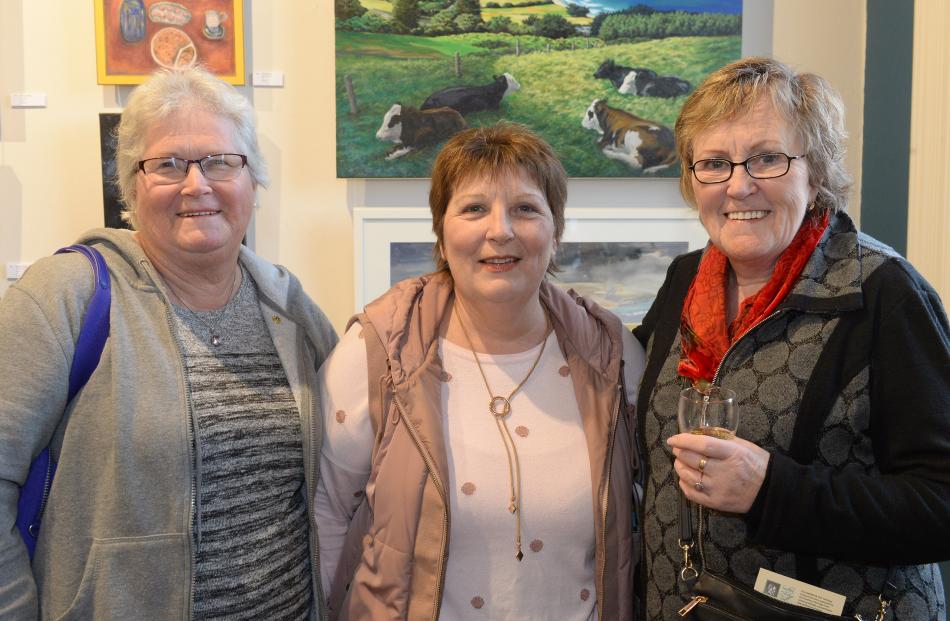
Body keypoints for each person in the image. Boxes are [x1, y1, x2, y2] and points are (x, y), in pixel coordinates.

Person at [0, 68, 338, 619]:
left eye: (221, 162)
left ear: (254, 182)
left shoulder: (289, 308)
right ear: (131, 187)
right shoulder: (67, 295)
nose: (196, 184)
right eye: (167, 164)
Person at [633, 56, 950, 620]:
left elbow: (941, 505)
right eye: (714, 163)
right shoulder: (683, 280)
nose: (739, 184)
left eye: (767, 158)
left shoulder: (884, 294)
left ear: (817, 171)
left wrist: (771, 489)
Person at [316, 123, 645, 620]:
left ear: (555, 232)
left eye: (525, 209)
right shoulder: (376, 351)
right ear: (441, 234)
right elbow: (329, 514)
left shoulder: (613, 353)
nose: (500, 230)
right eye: (474, 208)